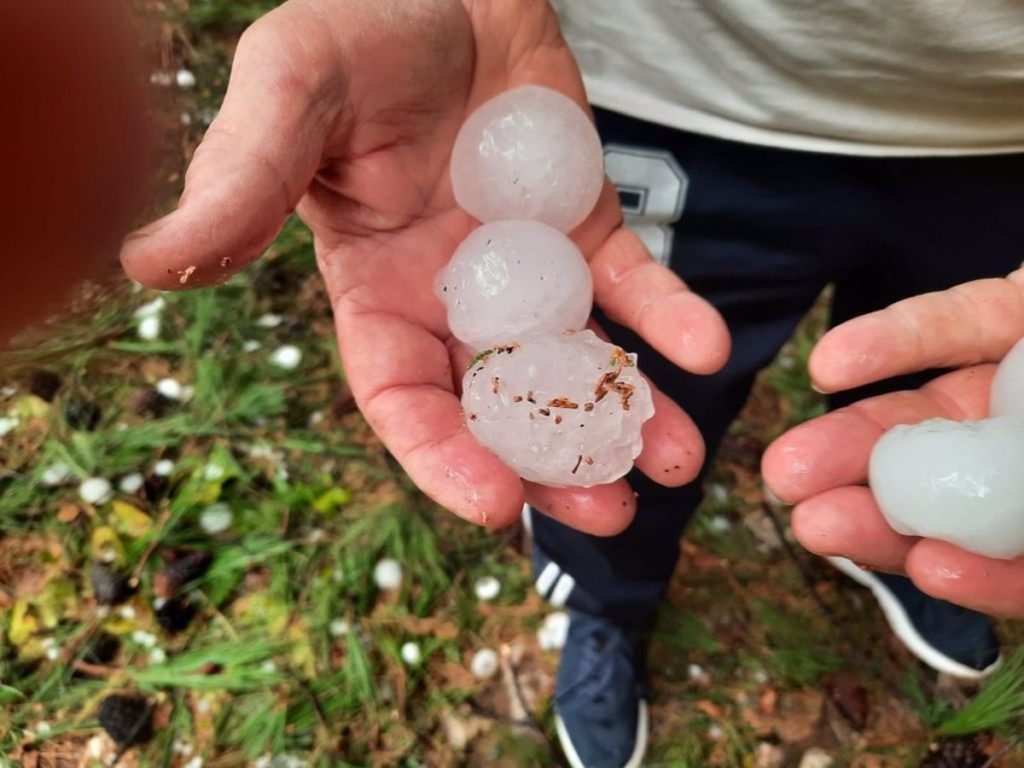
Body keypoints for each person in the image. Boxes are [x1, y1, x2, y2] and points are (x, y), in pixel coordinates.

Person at [119, 2, 1024, 766]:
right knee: (656, 386)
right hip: (679, 91)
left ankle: (913, 527)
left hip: (998, 121)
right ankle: (607, 605)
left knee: (944, 365)